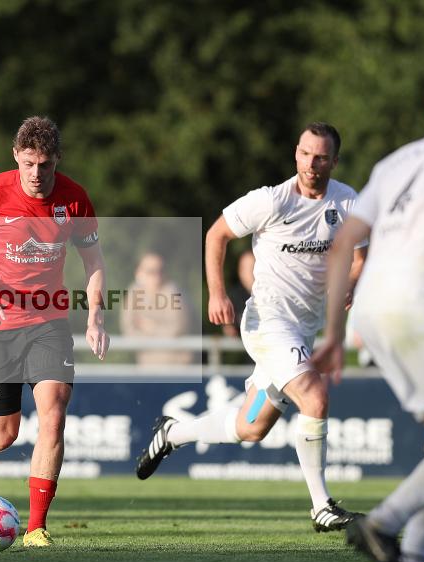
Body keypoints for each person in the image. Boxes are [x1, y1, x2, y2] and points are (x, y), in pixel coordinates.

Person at [136, 122, 367, 533]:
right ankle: (322, 507)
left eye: (320, 157)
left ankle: (173, 433)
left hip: (304, 329)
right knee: (314, 396)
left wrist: (350, 286)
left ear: (334, 160)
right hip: (267, 322)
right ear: (295, 153)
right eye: (304, 154)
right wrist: (218, 293)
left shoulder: (347, 202)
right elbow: (217, 234)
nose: (310, 164)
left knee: (251, 427)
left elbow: (360, 259)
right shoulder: (271, 201)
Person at [313, 62, 424, 562]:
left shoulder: (397, 160)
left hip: (371, 311)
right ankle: (383, 523)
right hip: (421, 306)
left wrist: (335, 336)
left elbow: (345, 243)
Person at [0, 116, 108, 548]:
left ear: (57, 162)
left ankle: (36, 528)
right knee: (4, 432)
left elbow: (94, 263)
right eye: (29, 163)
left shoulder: (73, 200)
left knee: (53, 412)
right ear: (16, 156)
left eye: (46, 164)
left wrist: (95, 318)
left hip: (48, 321)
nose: (37, 174)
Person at [120, 252, 195, 364]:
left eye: (161, 270)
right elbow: (128, 330)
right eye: (151, 271)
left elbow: (178, 329)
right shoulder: (132, 293)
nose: (157, 275)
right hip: (147, 365)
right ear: (138, 272)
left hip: (179, 366)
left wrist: (150, 327)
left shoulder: (173, 291)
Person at [222, 249, 255, 338]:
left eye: (254, 268)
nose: (253, 273)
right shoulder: (232, 297)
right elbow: (228, 330)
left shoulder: (270, 294)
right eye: (249, 269)